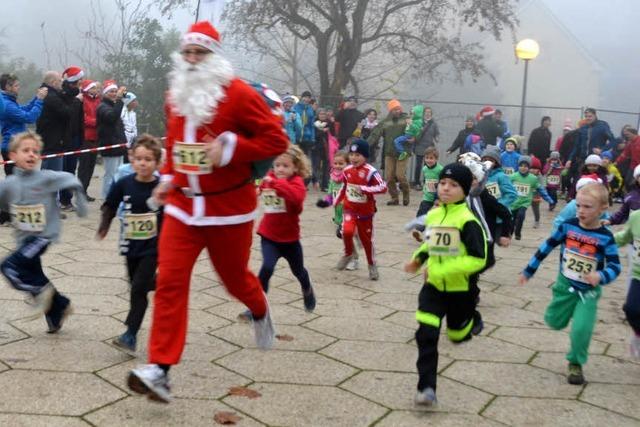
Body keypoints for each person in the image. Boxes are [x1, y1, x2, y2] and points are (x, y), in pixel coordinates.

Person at [126, 21, 289, 404]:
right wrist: (167, 176)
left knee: (233, 279)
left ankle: (259, 307)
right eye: (188, 52)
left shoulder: (237, 95)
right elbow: (173, 142)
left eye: (201, 52)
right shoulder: (174, 93)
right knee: (169, 282)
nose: (193, 59)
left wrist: (230, 146)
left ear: (215, 56)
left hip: (227, 209)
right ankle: (160, 369)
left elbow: (276, 139)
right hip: (183, 207)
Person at [520, 182, 620, 385]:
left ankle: (575, 363)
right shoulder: (568, 226)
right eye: (579, 206)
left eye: (587, 207)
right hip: (565, 284)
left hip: (589, 291)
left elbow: (616, 266)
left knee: (581, 329)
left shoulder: (606, 237)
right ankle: (558, 313)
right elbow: (547, 246)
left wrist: (601, 276)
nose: (581, 211)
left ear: (603, 208)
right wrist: (530, 269)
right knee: (554, 321)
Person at [404, 162, 486, 406]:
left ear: (465, 189)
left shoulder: (468, 221)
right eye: (442, 183)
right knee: (426, 334)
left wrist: (447, 269)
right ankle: (426, 387)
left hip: (460, 290)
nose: (445, 189)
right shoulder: (436, 214)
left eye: (453, 185)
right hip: (433, 288)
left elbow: (478, 259)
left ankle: (472, 319)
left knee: (457, 335)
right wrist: (418, 260)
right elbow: (431, 244)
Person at [0, 131, 87, 333]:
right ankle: (59, 307)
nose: (31, 155)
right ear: (12, 156)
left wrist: (81, 204)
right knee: (34, 272)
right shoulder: (9, 184)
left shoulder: (46, 178)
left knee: (9, 266)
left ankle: (40, 293)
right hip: (24, 238)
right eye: (25, 151)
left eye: (35, 151)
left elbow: (71, 180)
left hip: (42, 236)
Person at [97, 135, 162, 352]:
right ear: (132, 160)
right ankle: (157, 283)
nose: (143, 163)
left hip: (154, 247)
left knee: (137, 289)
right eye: (139, 158)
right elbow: (110, 204)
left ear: (157, 163)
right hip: (130, 244)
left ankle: (130, 334)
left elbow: (174, 212)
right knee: (136, 284)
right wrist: (104, 225)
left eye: (149, 159)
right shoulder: (124, 183)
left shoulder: (161, 187)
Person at [240, 145, 316, 320]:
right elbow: (260, 191)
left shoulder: (296, 184)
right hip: (269, 236)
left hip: (290, 240)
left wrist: (276, 184)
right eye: (277, 165)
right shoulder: (269, 179)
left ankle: (307, 288)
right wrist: (256, 191)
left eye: (285, 166)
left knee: (299, 271)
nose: (280, 169)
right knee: (266, 268)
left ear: (295, 167)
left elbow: (296, 202)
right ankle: (256, 307)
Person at [334, 139, 387, 280]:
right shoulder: (347, 170)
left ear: (365, 156)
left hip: (365, 212)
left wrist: (364, 189)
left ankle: (371, 264)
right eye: (351, 154)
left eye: (358, 155)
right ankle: (348, 254)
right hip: (349, 208)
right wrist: (336, 200)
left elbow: (383, 187)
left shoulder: (371, 172)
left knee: (366, 241)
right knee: (346, 231)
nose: (353, 158)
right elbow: (344, 187)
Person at [0, 73, 46, 176]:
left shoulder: (8, 101)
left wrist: (36, 98)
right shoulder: (7, 105)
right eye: (16, 85)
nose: (19, 88)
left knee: (22, 182)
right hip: (11, 147)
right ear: (8, 87)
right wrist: (39, 100)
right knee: (15, 183)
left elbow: (23, 109)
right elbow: (29, 118)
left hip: (15, 145)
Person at [367, 99, 409, 206]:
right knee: (389, 177)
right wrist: (365, 145)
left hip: (402, 153)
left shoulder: (406, 120)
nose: (397, 111)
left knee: (400, 176)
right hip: (389, 153)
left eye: (398, 109)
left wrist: (414, 138)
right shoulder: (385, 122)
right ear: (390, 110)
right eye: (394, 109)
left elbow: (416, 130)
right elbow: (375, 134)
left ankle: (406, 193)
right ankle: (394, 198)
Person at [614, 209, 640, 358]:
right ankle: (638, 332)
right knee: (631, 309)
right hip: (638, 276)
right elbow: (624, 237)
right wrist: (604, 240)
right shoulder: (636, 217)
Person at [59, 67, 85, 211]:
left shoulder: (79, 94)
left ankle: (67, 199)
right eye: (79, 79)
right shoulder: (64, 94)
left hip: (76, 135)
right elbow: (67, 114)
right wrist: (76, 101)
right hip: (65, 137)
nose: (82, 82)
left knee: (71, 169)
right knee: (64, 169)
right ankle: (63, 199)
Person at [36, 71, 73, 172]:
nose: (62, 83)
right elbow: (67, 112)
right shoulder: (51, 97)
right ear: (53, 82)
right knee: (52, 173)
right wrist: (76, 101)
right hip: (52, 141)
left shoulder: (51, 94)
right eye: (60, 81)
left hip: (52, 139)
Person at [97, 80, 128, 199]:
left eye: (115, 91)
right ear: (105, 93)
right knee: (110, 175)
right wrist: (119, 99)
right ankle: (106, 198)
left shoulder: (113, 105)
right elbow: (112, 117)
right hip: (109, 145)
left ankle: (115, 196)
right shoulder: (102, 106)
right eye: (111, 91)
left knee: (118, 174)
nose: (114, 94)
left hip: (118, 145)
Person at [510, 155, 553, 240]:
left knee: (521, 215)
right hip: (514, 203)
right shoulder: (513, 176)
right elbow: (506, 187)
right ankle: (510, 233)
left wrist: (549, 199)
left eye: (525, 166)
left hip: (524, 202)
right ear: (518, 166)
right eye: (521, 166)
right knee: (513, 219)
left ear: (529, 167)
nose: (523, 168)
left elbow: (540, 189)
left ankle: (518, 232)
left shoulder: (533, 178)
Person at [77, 80, 101, 201]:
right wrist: (97, 122)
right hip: (86, 137)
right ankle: (80, 192)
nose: (95, 90)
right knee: (84, 167)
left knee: (91, 166)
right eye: (93, 88)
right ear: (87, 89)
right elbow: (84, 119)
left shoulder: (97, 100)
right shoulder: (83, 101)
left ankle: (84, 190)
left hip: (96, 137)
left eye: (96, 88)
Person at [412, 107, 439, 188]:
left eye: (429, 112)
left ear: (431, 114)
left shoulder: (434, 124)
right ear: (423, 113)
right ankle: (417, 182)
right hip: (419, 146)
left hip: (429, 147)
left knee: (428, 166)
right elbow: (414, 132)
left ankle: (426, 182)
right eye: (426, 112)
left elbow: (437, 134)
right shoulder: (419, 123)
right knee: (418, 165)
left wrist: (437, 138)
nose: (427, 113)